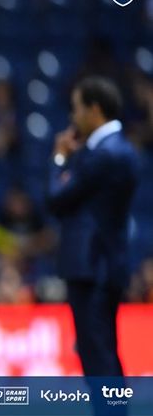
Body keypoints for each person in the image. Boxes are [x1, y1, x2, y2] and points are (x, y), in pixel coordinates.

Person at [47, 76, 139, 376]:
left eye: (76, 108)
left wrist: (60, 157)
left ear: (94, 109)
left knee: (98, 356)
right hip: (101, 266)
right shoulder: (115, 150)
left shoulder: (105, 154)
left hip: (92, 267)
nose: (73, 116)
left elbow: (57, 199)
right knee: (100, 353)